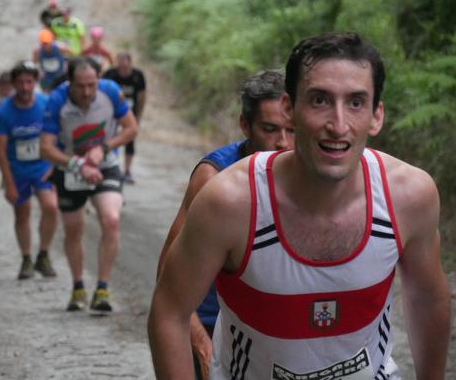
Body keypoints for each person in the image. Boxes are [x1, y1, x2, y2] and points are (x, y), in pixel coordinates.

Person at [149, 33, 451, 379]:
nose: (338, 125)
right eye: (320, 100)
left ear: (376, 115)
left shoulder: (409, 195)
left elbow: (428, 299)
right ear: (289, 109)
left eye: (356, 102)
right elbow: (169, 311)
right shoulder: (230, 201)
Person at [155, 70, 293, 380]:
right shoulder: (215, 177)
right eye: (270, 129)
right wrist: (203, 347)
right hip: (211, 325)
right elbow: (167, 272)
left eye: (292, 130)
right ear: (245, 125)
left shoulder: (313, 176)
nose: (283, 142)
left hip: (273, 333)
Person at [40, 57, 138, 313]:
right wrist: (78, 165)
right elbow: (45, 148)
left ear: (99, 79)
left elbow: (131, 128)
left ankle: (102, 289)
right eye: (80, 86)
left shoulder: (110, 92)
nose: (86, 92)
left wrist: (103, 148)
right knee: (74, 230)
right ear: (69, 81)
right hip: (70, 168)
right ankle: (78, 287)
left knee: (111, 219)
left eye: (92, 85)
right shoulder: (56, 100)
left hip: (105, 165)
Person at [0, 61, 58, 280]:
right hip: (17, 169)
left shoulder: (46, 104)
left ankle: (44, 254)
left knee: (51, 207)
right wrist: (8, 183)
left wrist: (55, 166)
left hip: (43, 167)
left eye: (29, 82)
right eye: (20, 82)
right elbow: (0, 151)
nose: (25, 87)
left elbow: (57, 136)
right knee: (22, 214)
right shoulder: (3, 112)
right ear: (13, 84)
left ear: (35, 82)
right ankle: (26, 258)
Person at [103, 52, 146, 183]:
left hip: (129, 112)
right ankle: (109, 167)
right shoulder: (110, 74)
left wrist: (138, 115)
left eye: (125, 67)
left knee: (130, 140)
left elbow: (142, 96)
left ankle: (127, 171)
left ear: (130, 63)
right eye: (120, 66)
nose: (122, 69)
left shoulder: (137, 76)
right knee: (110, 138)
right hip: (111, 113)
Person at [33, 29, 69, 93]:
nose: (45, 46)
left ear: (51, 42)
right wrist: (39, 71)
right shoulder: (37, 51)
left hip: (58, 76)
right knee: (46, 94)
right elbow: (35, 63)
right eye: (43, 43)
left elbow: (71, 55)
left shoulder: (60, 48)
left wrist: (65, 65)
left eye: (47, 43)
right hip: (46, 77)